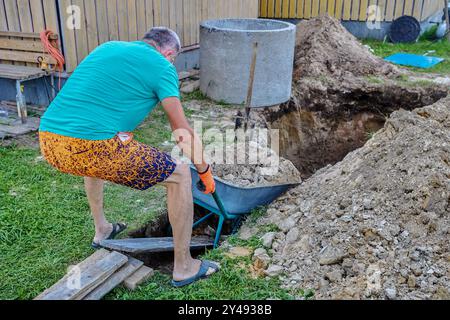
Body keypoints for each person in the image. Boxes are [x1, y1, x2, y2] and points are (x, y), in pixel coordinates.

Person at [39, 27, 219, 287]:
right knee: (179, 174)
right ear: (169, 53)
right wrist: (204, 171)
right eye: (172, 60)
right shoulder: (163, 66)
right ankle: (184, 267)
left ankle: (102, 230)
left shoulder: (108, 46)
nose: (170, 64)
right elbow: (182, 133)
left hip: (49, 139)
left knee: (99, 151)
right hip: (91, 146)